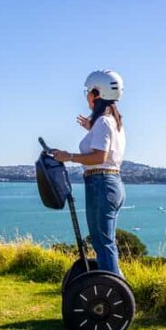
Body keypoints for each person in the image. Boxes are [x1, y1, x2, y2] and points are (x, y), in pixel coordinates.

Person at [52, 70, 127, 276]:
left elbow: (99, 157)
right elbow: (107, 150)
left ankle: (116, 294)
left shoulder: (103, 122)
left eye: (88, 92)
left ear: (97, 93)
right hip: (109, 183)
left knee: (103, 243)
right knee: (104, 242)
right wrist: (91, 128)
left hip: (101, 183)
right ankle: (116, 291)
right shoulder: (113, 121)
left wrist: (69, 156)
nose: (86, 95)